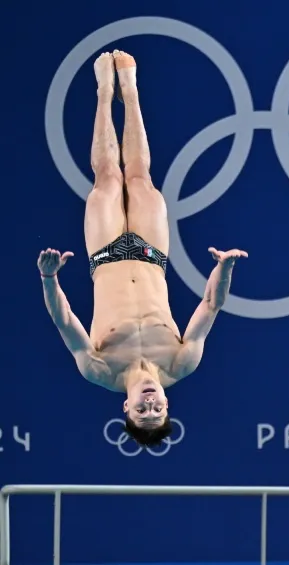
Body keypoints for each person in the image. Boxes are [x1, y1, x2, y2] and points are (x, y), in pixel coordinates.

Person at [37, 51, 247, 447]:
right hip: (152, 255)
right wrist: (225, 269)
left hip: (106, 256)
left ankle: (103, 93)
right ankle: (130, 93)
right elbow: (210, 306)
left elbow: (64, 321)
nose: (150, 405)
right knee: (139, 177)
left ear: (126, 408)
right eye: (158, 410)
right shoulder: (181, 362)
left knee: (107, 179)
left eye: (142, 411)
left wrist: (49, 278)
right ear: (167, 403)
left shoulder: (99, 371)